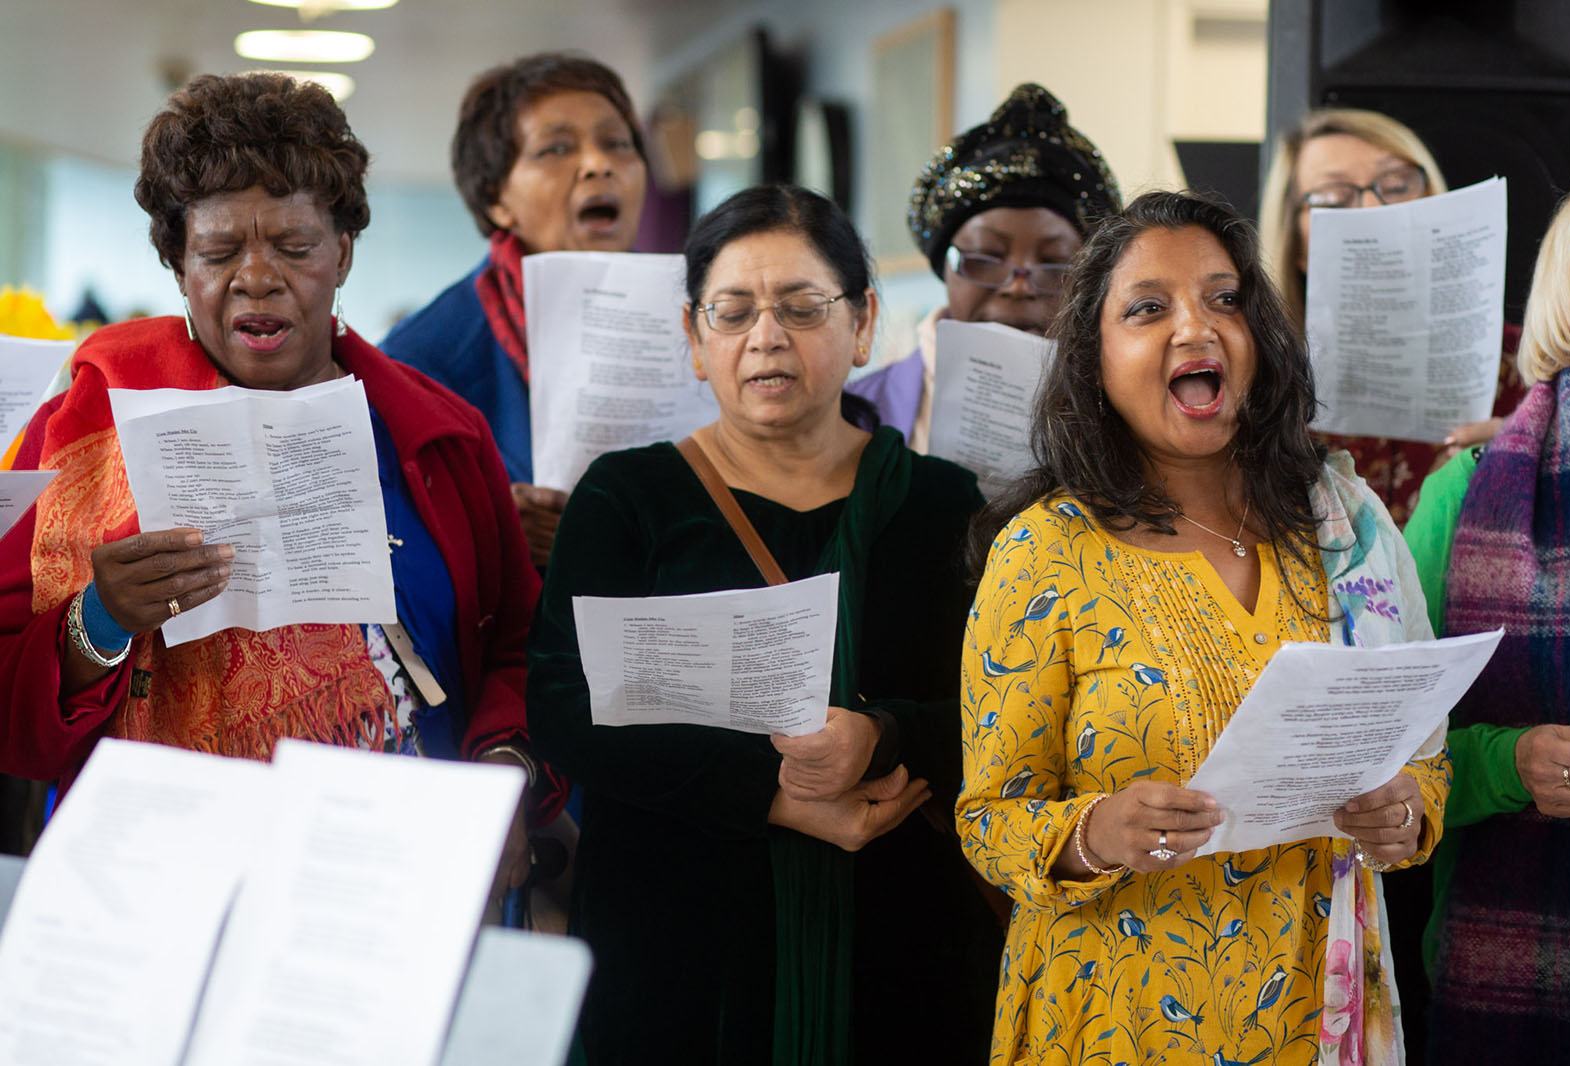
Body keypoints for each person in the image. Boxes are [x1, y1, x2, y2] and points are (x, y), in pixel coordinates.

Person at [0, 73, 560, 898]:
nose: (257, 278)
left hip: (406, 876)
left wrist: (507, 772)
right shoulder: (86, 433)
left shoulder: (437, 433)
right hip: (164, 886)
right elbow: (11, 703)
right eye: (220, 252)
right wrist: (100, 619)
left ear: (343, 252)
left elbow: (519, 642)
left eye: (294, 248)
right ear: (178, 266)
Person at [958, 190, 1449, 1066]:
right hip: (1116, 1018)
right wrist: (1094, 832)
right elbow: (989, 820)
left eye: (1225, 299)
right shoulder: (1044, 553)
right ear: (1096, 359)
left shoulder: (1342, 527)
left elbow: (1422, 753)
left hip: (1317, 1011)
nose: (1197, 327)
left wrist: (1408, 812)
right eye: (1149, 309)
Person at [527, 184, 1004, 1065]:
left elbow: (994, 709)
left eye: (802, 307)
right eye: (733, 311)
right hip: (679, 948)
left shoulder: (941, 506)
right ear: (694, 337)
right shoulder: (627, 498)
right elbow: (563, 706)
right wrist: (776, 799)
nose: (767, 336)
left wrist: (880, 733)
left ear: (862, 325)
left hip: (899, 945)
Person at [1408, 170, 1570, 1063]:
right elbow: (1389, 738)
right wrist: (1510, 762)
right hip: (1511, 956)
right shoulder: (1461, 493)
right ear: (1563, 284)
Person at [382, 52, 648, 566]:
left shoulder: (705, 315)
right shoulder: (418, 359)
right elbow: (385, 531)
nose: (600, 163)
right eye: (556, 149)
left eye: (618, 142)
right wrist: (488, 522)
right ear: (496, 198)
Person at [1259, 107, 1524, 524]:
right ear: (1296, 245)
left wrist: (1527, 462)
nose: (1372, 209)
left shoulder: (1529, 363)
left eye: (1397, 185)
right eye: (1333, 198)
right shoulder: (1262, 383)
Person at [846, 83, 1121, 451]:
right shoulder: (854, 416)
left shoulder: (1122, 415)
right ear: (945, 266)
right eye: (985, 258)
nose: (1018, 286)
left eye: (1054, 264)